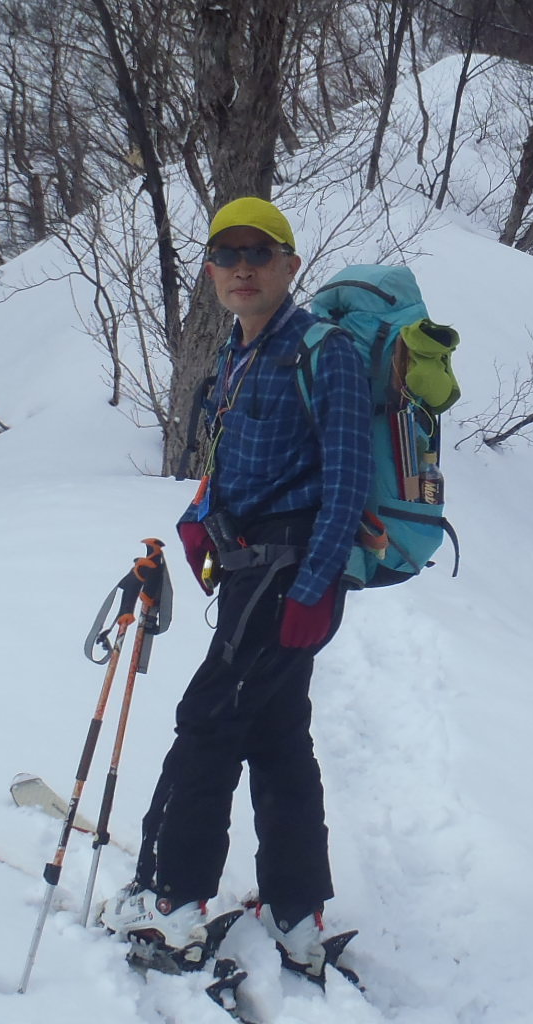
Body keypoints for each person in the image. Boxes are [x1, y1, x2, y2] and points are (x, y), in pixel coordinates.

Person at [101, 196, 372, 980]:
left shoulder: (327, 353)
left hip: (290, 574)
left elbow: (348, 482)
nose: (243, 267)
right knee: (277, 734)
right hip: (250, 566)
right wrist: (198, 518)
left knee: (208, 723)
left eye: (260, 252)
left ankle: (173, 902)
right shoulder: (236, 351)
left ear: (291, 265)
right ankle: (296, 912)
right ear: (212, 270)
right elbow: (230, 461)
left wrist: (313, 589)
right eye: (227, 254)